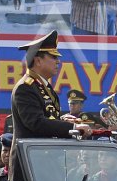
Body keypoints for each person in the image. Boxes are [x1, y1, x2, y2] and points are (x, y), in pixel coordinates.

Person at [8, 30, 89, 160]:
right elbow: (36, 123)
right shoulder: (25, 87)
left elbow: (44, 118)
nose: (58, 62)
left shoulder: (42, 86)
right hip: (29, 162)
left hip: (43, 160)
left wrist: (62, 121)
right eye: (53, 57)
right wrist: (73, 127)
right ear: (38, 60)